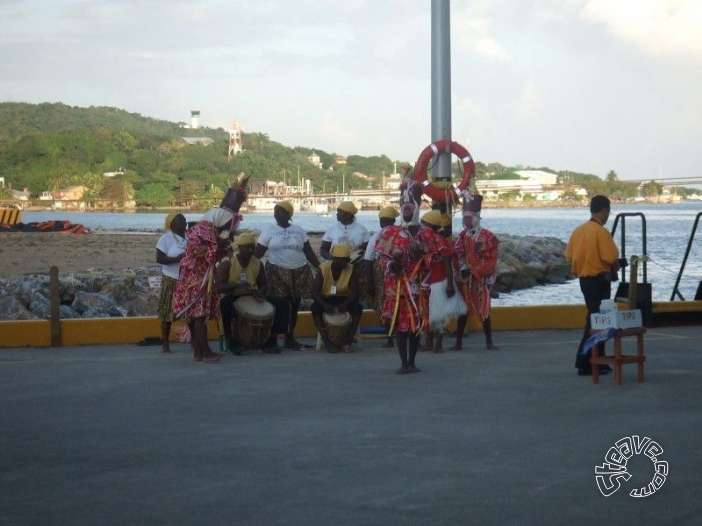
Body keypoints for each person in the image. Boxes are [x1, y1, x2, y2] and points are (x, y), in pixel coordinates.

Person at [374, 179, 456, 374]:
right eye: (404, 206)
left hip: (419, 289)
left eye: (410, 206)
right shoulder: (390, 234)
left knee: (416, 327)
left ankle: (412, 361)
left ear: (418, 207)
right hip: (398, 290)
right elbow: (380, 259)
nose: (406, 209)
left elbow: (439, 259)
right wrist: (392, 264)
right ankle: (404, 363)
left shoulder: (428, 235)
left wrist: (422, 256)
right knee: (401, 328)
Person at [566, 195, 625, 376]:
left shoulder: (579, 231)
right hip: (600, 280)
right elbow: (610, 257)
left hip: (585, 280)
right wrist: (618, 265)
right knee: (597, 320)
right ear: (605, 210)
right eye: (608, 211)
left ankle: (599, 360)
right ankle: (584, 361)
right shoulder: (601, 232)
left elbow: (569, 256)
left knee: (597, 318)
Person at [254, 201, 321, 353]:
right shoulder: (269, 230)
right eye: (275, 211)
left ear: (289, 215)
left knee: (295, 304)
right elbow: (258, 253)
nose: (277, 214)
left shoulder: (298, 230)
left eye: (281, 212)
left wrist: (321, 267)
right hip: (276, 271)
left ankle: (290, 338)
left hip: (299, 271)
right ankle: (273, 338)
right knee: (279, 305)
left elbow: (309, 252)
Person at [172, 207, 236, 362]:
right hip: (196, 281)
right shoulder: (199, 231)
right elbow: (195, 251)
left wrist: (224, 247)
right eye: (227, 223)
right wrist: (218, 245)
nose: (227, 227)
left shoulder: (210, 231)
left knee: (198, 317)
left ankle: (199, 353)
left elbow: (215, 255)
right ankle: (205, 352)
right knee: (199, 316)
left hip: (201, 278)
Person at [451, 193, 500, 351]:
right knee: (462, 311)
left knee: (484, 311)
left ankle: (489, 341)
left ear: (476, 217)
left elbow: (491, 260)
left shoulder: (488, 237)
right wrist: (461, 271)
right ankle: (458, 342)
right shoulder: (461, 237)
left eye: (468, 217)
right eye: (464, 218)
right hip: (465, 281)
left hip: (480, 280)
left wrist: (474, 271)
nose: (466, 221)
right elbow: (456, 256)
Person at [420, 210, 466, 353]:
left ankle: (437, 343)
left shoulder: (439, 240)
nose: (422, 226)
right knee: (428, 312)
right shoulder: (425, 239)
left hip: (439, 279)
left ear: (431, 225)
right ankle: (429, 341)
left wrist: (450, 285)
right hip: (427, 279)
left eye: (424, 223)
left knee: (437, 314)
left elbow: (447, 263)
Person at [216, 232, 267, 355]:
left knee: (275, 303)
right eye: (247, 247)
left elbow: (263, 285)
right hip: (231, 295)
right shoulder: (228, 263)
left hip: (250, 295)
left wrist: (259, 293)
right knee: (226, 306)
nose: (250, 250)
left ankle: (266, 340)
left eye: (252, 248)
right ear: (239, 248)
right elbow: (219, 287)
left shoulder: (257, 263)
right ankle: (232, 341)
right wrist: (236, 286)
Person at [311, 243, 363, 353]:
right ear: (334, 259)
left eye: (347, 260)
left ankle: (348, 341)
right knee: (315, 308)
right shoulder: (323, 268)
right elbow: (314, 291)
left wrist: (346, 304)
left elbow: (355, 292)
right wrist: (324, 305)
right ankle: (326, 341)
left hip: (344, 298)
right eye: (342, 260)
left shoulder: (351, 269)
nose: (345, 263)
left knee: (357, 307)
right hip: (326, 298)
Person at [362, 206, 400, 348]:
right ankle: (390, 336)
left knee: (395, 302)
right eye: (382, 220)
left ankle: (395, 334)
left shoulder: (398, 234)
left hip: (395, 272)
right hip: (381, 273)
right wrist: (370, 282)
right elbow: (368, 260)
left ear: (393, 220)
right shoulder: (377, 236)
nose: (383, 223)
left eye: (386, 220)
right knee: (385, 303)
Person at [155, 212, 187, 353]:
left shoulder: (190, 238)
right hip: (171, 279)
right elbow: (159, 259)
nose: (184, 221)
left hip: (187, 280)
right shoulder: (165, 239)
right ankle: (165, 344)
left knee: (190, 312)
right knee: (167, 312)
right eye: (180, 219)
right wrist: (177, 259)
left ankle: (195, 342)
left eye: (184, 219)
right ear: (172, 223)